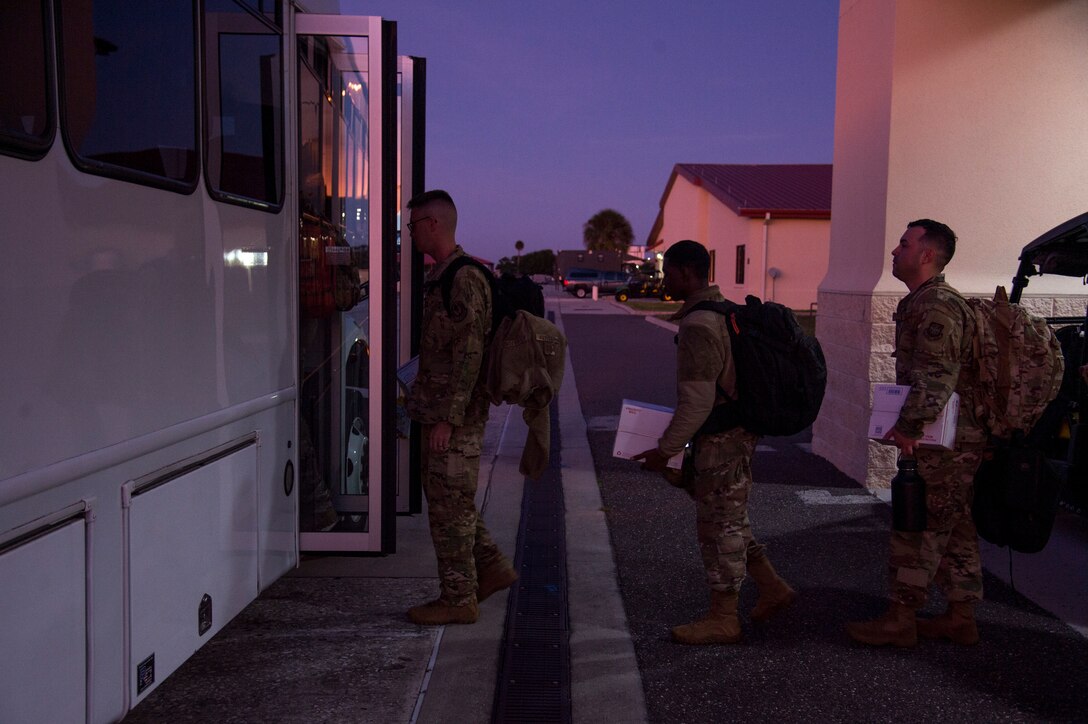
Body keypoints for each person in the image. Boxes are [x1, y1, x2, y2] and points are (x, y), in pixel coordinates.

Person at [633, 240, 796, 645]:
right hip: (736, 433)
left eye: (668, 272)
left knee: (717, 527)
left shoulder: (698, 325)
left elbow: (697, 401)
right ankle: (773, 587)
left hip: (721, 440)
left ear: (687, 273)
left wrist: (664, 450)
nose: (664, 279)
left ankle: (724, 617)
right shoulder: (723, 312)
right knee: (731, 519)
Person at [846, 219, 987, 647]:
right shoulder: (925, 301)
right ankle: (961, 617)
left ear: (927, 255)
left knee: (918, 525)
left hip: (944, 443)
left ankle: (900, 618)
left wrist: (908, 428)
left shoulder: (936, 306)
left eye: (904, 244)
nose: (895, 251)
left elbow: (936, 377)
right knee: (954, 524)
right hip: (956, 440)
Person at [404, 189, 517, 625]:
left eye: (412, 226)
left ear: (433, 224)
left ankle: (458, 598)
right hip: (440, 412)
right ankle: (491, 568)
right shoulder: (446, 275)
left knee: (449, 511)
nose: (409, 234)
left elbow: (469, 353)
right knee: (453, 503)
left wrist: (449, 420)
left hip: (454, 420)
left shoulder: (464, 278)